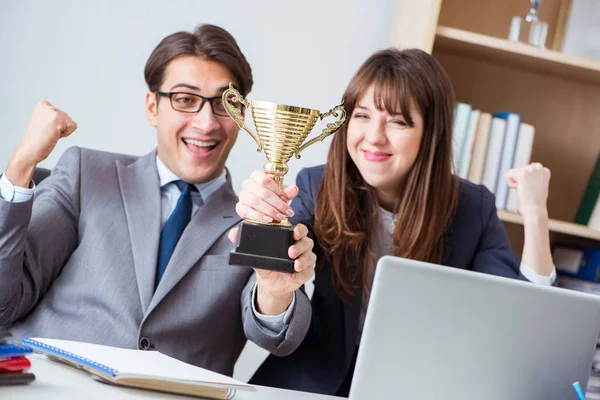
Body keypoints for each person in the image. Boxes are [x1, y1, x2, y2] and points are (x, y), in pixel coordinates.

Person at [232, 48, 556, 395]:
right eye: (362, 116)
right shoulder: (317, 185)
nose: (374, 136)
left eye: (398, 121)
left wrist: (536, 215)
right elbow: (269, 332)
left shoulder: (472, 207)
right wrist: (273, 287)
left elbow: (520, 326)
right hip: (313, 383)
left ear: (430, 132)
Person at [0, 24, 316, 377]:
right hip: (51, 384)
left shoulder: (254, 217)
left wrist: (275, 290)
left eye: (225, 104)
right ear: (153, 107)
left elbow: (278, 338)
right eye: (185, 100)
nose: (207, 122)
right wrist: (20, 166)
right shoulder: (86, 173)